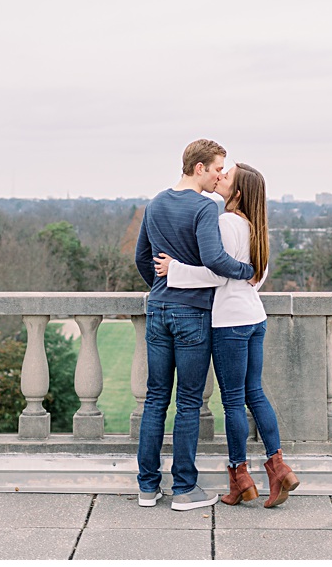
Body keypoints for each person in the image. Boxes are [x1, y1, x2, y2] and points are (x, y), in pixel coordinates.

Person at [155, 162, 300, 508]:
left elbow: (215, 273)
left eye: (226, 176)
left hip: (230, 322)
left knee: (233, 400)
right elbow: (255, 276)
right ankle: (278, 467)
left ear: (236, 193)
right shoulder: (256, 227)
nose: (219, 177)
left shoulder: (225, 222)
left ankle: (240, 476)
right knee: (255, 394)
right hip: (254, 318)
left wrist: (173, 270)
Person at [133, 139, 256, 511]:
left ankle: (147, 488)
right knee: (188, 402)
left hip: (159, 309)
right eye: (217, 167)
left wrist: (162, 285)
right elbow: (215, 259)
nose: (221, 174)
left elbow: (143, 258)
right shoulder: (206, 206)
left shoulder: (155, 203)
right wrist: (246, 271)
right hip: (192, 315)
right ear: (199, 167)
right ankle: (184, 489)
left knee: (156, 399)